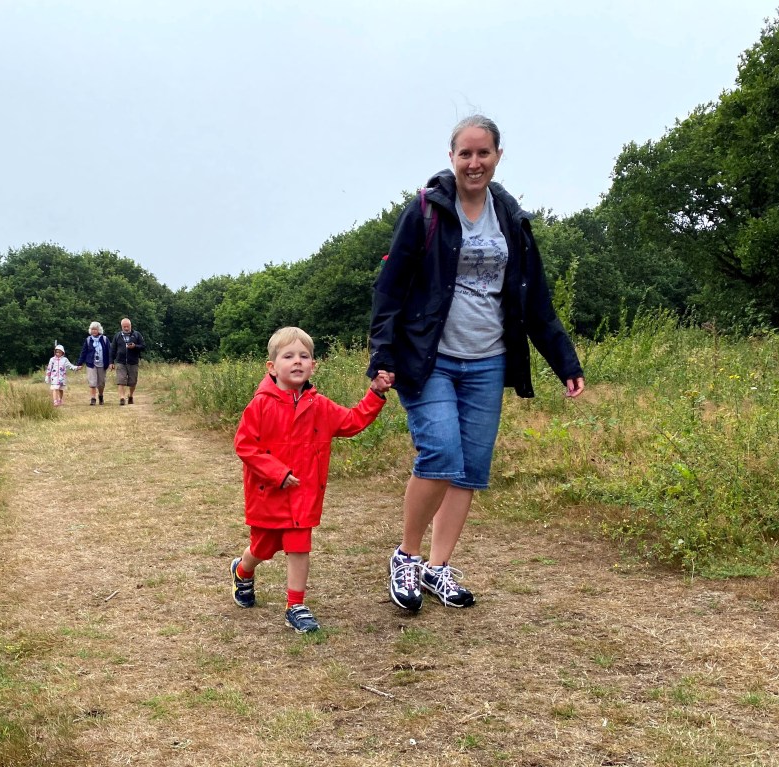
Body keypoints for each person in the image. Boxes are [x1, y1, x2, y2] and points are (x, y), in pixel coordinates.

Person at [368, 115, 585, 613]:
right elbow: (389, 289)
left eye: (483, 153)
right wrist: (382, 353)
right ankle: (406, 556)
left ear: (498, 156)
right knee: (441, 454)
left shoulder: (510, 216)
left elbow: (535, 297)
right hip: (429, 359)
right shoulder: (426, 210)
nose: (473, 162)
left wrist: (564, 359)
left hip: (488, 361)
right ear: (451, 157)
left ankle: (437, 567)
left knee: (468, 469)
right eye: (464, 153)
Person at [230, 326, 392, 633]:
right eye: (288, 356)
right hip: (268, 494)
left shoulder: (320, 406)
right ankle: (243, 570)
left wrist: (376, 393)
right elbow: (245, 446)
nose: (297, 361)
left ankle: (295, 605)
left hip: (303, 494)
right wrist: (277, 473)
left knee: (299, 545)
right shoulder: (260, 405)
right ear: (272, 367)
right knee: (263, 548)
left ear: (313, 365)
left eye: (304, 356)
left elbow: (353, 421)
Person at [110, 317, 145, 406]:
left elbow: (143, 346)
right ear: (121, 326)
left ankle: (131, 395)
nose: (126, 328)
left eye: (127, 326)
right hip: (120, 362)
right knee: (121, 380)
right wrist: (111, 362)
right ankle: (122, 398)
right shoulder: (117, 336)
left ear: (130, 325)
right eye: (124, 326)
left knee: (132, 382)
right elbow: (113, 349)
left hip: (133, 362)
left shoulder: (137, 335)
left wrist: (135, 346)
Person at [76, 321, 112, 405]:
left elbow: (109, 352)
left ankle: (101, 395)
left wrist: (111, 362)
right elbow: (83, 352)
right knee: (92, 382)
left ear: (99, 330)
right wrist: (80, 363)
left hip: (102, 364)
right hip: (91, 364)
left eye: (95, 329)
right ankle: (93, 398)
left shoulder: (105, 339)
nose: (94, 331)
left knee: (101, 383)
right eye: (92, 329)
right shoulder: (88, 340)